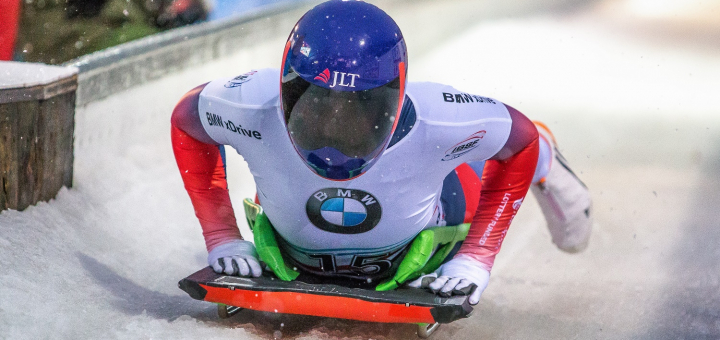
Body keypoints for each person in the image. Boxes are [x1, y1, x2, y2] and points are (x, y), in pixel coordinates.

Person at [171, 0, 592, 306]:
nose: (334, 126)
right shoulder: (248, 101)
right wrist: (221, 236)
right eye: (316, 101)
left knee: (485, 161)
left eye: (358, 106)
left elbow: (518, 141)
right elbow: (186, 122)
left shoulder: (440, 119)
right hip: (290, 234)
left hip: (432, 211)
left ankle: (549, 159)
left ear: (393, 96)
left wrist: (475, 257)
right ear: (287, 86)